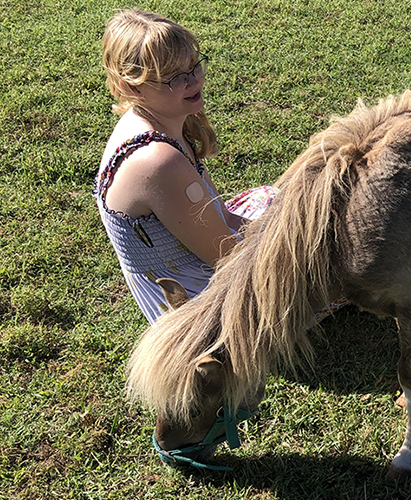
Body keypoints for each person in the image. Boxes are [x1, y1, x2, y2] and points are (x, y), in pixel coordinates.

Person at [94, 10, 344, 323]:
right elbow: (227, 260)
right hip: (196, 300)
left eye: (193, 65)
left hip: (196, 259)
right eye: (174, 78)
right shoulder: (158, 161)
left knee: (277, 204)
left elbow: (223, 214)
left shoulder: (157, 121)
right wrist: (300, 250)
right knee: (338, 264)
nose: (193, 80)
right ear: (131, 87)